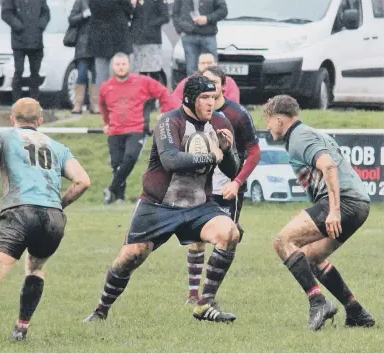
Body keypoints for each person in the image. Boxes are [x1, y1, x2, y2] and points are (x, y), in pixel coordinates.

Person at [84, 75, 242, 324]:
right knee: (130, 257)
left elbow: (232, 171)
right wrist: (213, 157)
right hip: (159, 206)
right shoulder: (170, 122)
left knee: (230, 233)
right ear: (189, 99)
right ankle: (101, 311)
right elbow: (170, 160)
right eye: (204, 98)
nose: (211, 103)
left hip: (199, 206)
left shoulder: (219, 122)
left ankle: (205, 303)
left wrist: (227, 150)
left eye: (213, 97)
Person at [0, 98, 91, 348]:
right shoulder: (57, 146)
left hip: (19, 213)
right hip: (53, 219)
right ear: (41, 121)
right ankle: (21, 328)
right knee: (35, 268)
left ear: (12, 119)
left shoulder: (2, 137)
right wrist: (58, 205)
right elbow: (83, 181)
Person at [263, 94, 375, 331]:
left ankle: (318, 302)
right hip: (359, 204)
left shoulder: (299, 137)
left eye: (269, 119)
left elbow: (328, 166)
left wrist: (334, 211)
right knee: (311, 257)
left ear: (280, 120)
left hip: (343, 203)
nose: (267, 126)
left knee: (283, 241)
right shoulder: (309, 134)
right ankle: (356, 312)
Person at [184, 65, 261, 304]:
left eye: (214, 84)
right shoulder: (193, 114)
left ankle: (209, 295)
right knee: (197, 239)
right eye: (204, 82)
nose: (209, 88)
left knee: (226, 239)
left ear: (224, 87)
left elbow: (254, 151)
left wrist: (237, 182)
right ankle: (193, 295)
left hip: (228, 188)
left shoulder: (237, 114)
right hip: (202, 187)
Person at [100, 53, 175, 204]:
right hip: (115, 131)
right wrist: (107, 123)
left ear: (129, 65)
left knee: (129, 158)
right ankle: (118, 198)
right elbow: (103, 107)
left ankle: (111, 189)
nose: (121, 67)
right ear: (113, 67)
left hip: (136, 130)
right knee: (116, 164)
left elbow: (163, 93)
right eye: (118, 64)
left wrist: (165, 112)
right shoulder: (106, 87)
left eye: (123, 64)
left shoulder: (143, 82)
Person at [1, 0, 50, 102]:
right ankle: (16, 102)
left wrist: (40, 25)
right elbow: (6, 13)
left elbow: (46, 12)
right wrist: (18, 26)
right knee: (19, 71)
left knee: (35, 73)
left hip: (36, 40)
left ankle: (34, 101)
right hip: (19, 41)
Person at [130, 0, 170, 124]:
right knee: (140, 74)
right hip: (137, 41)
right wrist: (132, 5)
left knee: (153, 74)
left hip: (152, 40)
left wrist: (150, 24)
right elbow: (127, 16)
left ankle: (153, 102)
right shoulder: (133, 2)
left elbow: (165, 17)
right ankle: (141, 102)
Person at [172, 0, 228, 76]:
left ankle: (212, 87)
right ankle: (195, 87)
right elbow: (175, 12)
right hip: (188, 36)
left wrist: (207, 19)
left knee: (212, 70)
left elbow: (223, 11)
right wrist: (180, 30)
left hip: (208, 35)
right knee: (192, 71)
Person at [88, 0, 133, 90]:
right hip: (118, 37)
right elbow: (129, 9)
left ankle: (103, 100)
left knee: (101, 74)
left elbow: (92, 9)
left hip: (99, 38)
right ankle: (117, 100)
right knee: (120, 71)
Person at [68, 0, 98, 114]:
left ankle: (95, 105)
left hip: (98, 44)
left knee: (97, 76)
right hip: (83, 46)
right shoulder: (81, 2)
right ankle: (78, 104)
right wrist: (83, 15)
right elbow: (71, 19)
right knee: (81, 74)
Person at [172, 53, 240, 104]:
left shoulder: (229, 82)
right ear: (198, 65)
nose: (206, 66)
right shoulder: (188, 82)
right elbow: (174, 100)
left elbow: (234, 103)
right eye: (203, 63)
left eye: (209, 63)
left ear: (216, 64)